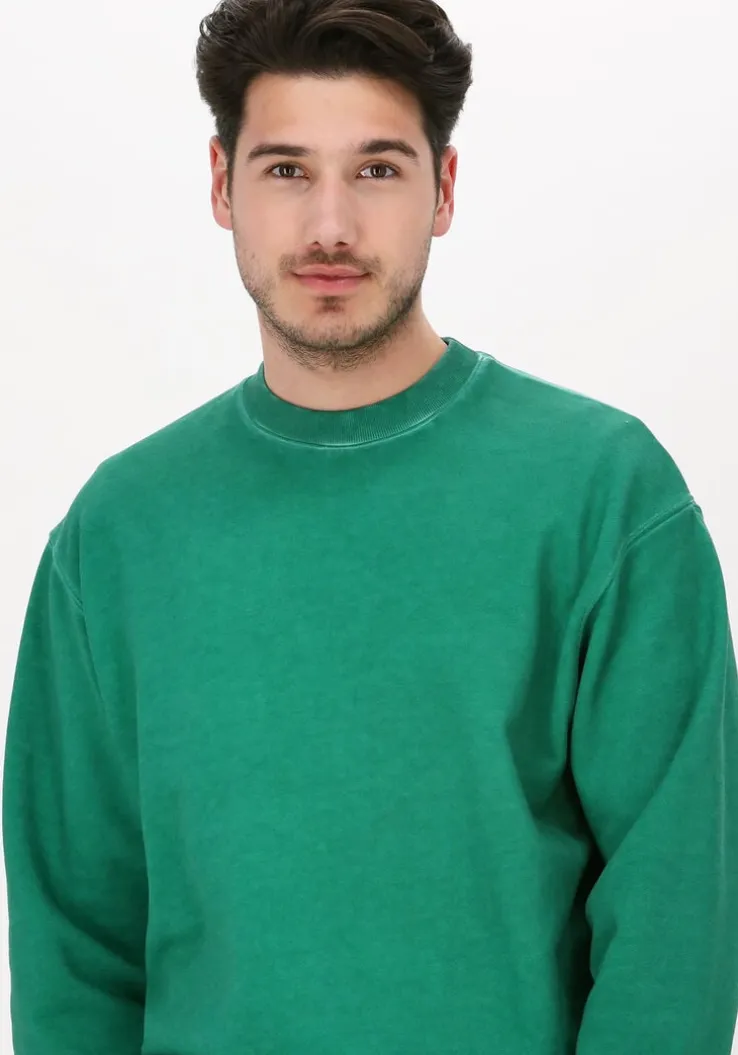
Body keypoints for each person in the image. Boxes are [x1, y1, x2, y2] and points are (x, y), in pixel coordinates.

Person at [3, 0, 737, 1051]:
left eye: (378, 168)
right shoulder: (117, 534)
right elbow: (76, 956)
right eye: (286, 169)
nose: (331, 227)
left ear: (445, 189)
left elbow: (675, 928)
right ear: (222, 185)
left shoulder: (605, 496)